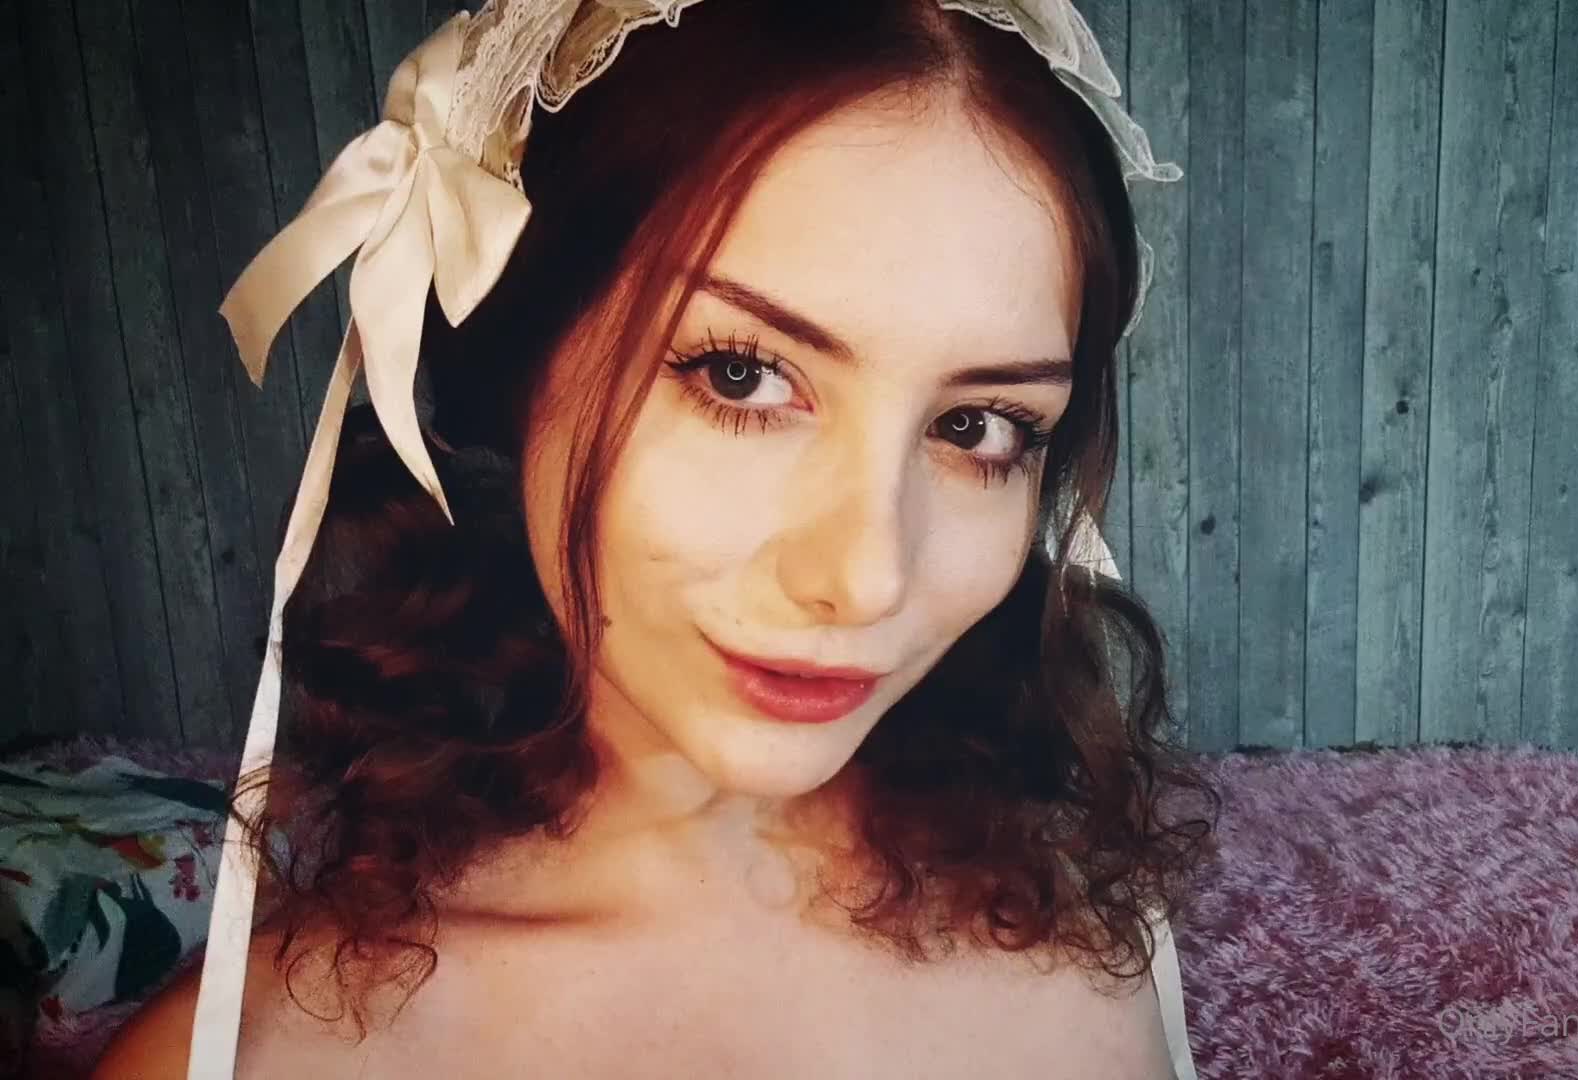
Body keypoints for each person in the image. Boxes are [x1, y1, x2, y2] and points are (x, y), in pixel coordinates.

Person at [93, 0, 1216, 1075]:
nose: (868, 578)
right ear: (524, 364)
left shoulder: (1086, 964)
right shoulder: (280, 1052)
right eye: (741, 377)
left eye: (977, 427)